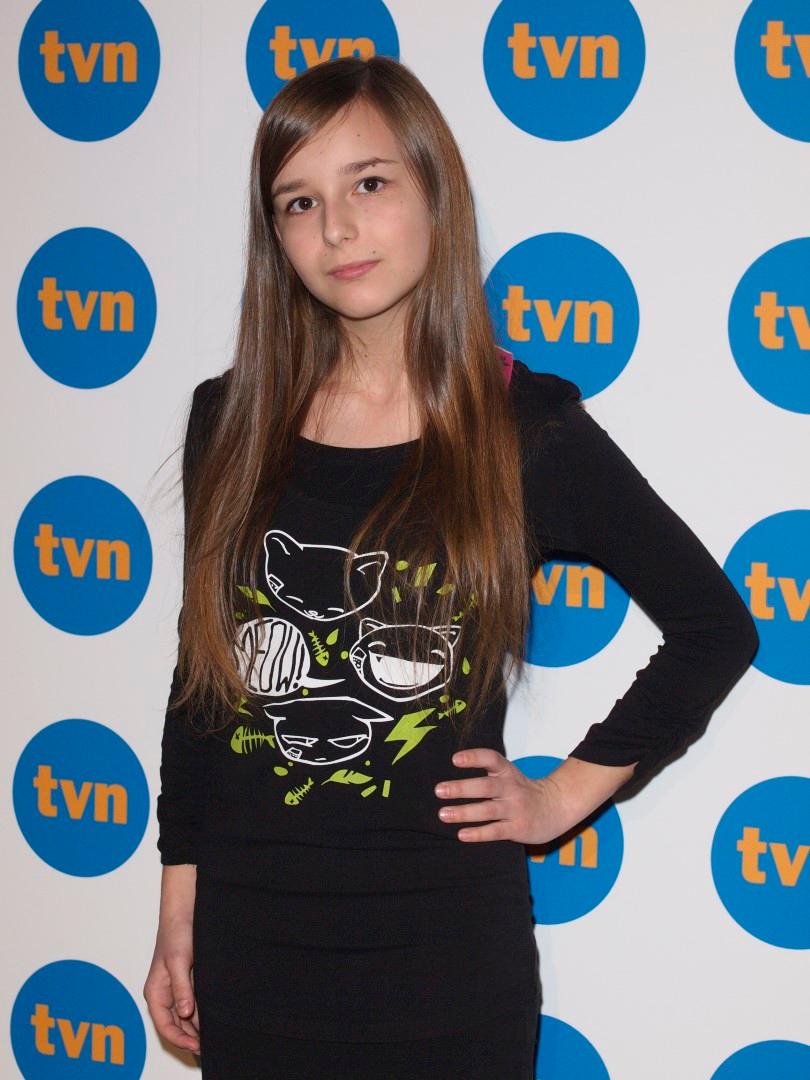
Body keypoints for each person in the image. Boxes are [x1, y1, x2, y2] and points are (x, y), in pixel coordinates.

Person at [143, 55, 758, 1079]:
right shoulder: (230, 418)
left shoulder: (521, 428)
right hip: (253, 954)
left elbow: (714, 627)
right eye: (300, 201)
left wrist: (561, 797)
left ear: (436, 190)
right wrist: (178, 906)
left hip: (445, 966)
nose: (337, 228)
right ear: (275, 234)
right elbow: (206, 683)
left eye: (369, 182)